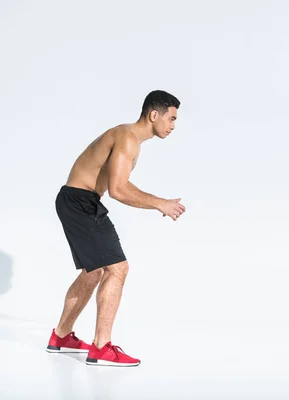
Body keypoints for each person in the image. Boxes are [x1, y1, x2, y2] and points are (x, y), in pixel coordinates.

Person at [46, 90, 186, 367]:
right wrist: (161, 203)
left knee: (94, 271)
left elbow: (114, 187)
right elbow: (119, 189)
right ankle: (101, 347)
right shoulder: (127, 138)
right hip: (80, 202)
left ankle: (61, 337)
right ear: (153, 114)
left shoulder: (128, 138)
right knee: (117, 268)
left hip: (77, 200)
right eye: (171, 118)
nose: (173, 126)